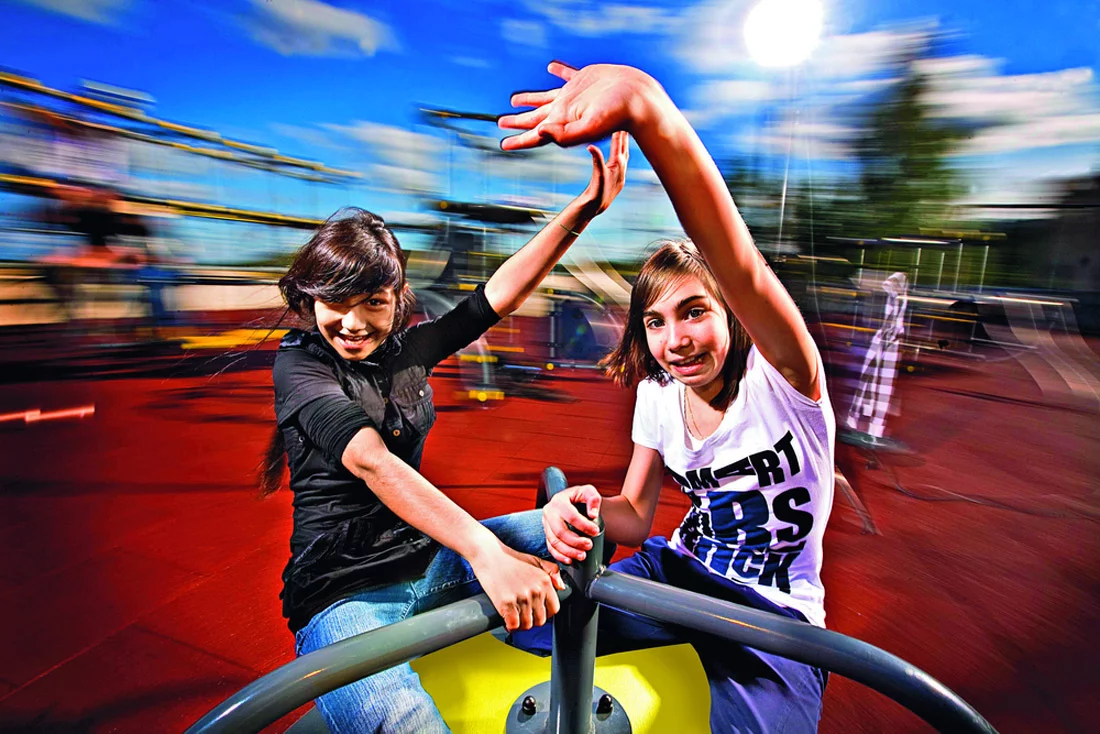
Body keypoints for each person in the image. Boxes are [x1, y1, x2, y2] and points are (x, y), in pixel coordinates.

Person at [500, 63, 835, 732]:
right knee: (524, 624)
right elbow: (634, 514)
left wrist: (648, 107)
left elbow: (739, 262)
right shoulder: (658, 393)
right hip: (680, 572)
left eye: (694, 312)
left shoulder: (786, 379)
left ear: (731, 312)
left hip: (772, 612)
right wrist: (581, 506)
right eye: (654, 322)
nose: (674, 340)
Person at [261, 131, 629, 733]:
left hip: (426, 559)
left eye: (373, 302)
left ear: (396, 300)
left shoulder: (408, 351)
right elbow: (373, 461)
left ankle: (528, 643)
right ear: (312, 299)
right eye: (336, 302)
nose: (353, 323)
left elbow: (497, 297)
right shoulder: (300, 365)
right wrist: (486, 552)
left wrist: (582, 212)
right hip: (344, 592)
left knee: (579, 534)